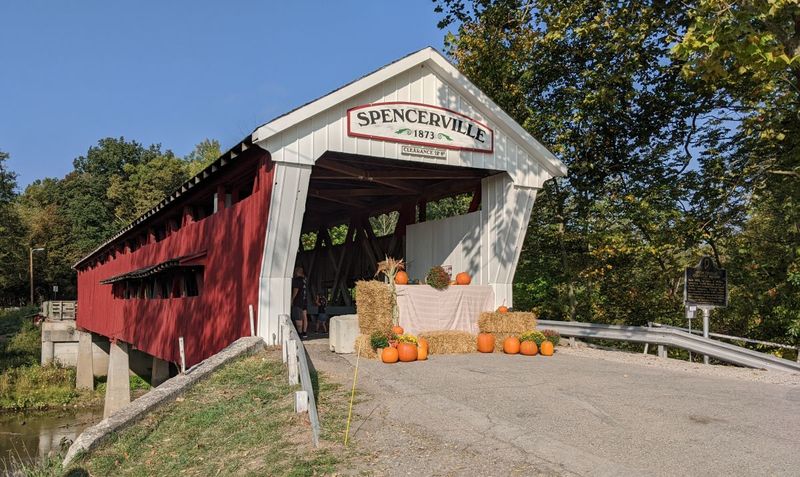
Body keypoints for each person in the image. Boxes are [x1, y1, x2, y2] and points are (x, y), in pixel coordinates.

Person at [291, 267, 308, 339]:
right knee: (304, 317)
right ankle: (304, 333)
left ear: (297, 272)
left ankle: (300, 334)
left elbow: (296, 290)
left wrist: (292, 299)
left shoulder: (297, 280)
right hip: (304, 301)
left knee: (298, 318)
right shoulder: (305, 280)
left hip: (298, 302)